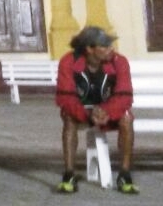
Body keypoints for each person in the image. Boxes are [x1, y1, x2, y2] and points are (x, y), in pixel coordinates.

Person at [54, 25, 138, 195]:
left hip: (108, 112)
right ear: (89, 49)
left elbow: (124, 95)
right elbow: (66, 97)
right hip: (81, 112)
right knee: (68, 118)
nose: (110, 49)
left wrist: (107, 112)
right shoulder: (68, 62)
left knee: (128, 118)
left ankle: (124, 174)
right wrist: (87, 115)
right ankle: (69, 174)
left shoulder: (119, 62)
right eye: (105, 46)